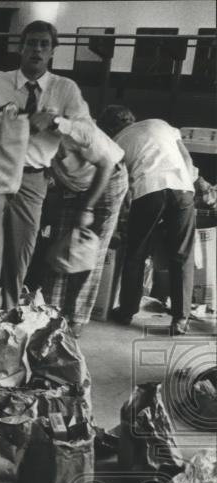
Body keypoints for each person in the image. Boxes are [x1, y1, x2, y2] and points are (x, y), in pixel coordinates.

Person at [0, 20, 90, 310]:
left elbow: (87, 134)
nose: (37, 49)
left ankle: (8, 309)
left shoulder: (64, 89)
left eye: (44, 44)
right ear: (21, 48)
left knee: (22, 247)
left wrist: (57, 121)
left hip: (33, 177)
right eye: (31, 43)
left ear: (51, 51)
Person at [98, 106, 201, 335]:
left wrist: (121, 219)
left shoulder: (117, 142)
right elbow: (185, 156)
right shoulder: (160, 123)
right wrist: (188, 184)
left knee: (136, 253)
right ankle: (180, 319)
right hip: (182, 188)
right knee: (182, 255)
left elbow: (120, 185)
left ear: (109, 127)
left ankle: (126, 312)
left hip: (149, 191)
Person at [42, 116, 129, 337]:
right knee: (60, 248)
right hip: (73, 185)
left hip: (108, 180)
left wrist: (87, 208)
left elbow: (106, 165)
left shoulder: (76, 130)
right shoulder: (28, 134)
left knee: (89, 251)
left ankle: (76, 318)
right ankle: (52, 315)